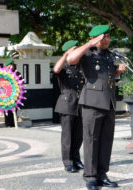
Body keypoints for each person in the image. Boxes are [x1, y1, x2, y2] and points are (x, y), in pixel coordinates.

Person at [66, 25, 126, 190]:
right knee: (91, 140)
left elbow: (107, 79)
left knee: (106, 141)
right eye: (103, 37)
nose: (106, 39)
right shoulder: (87, 52)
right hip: (92, 103)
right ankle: (90, 177)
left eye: (108, 36)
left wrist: (118, 72)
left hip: (109, 103)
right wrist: (89, 43)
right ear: (95, 38)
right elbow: (70, 60)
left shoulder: (109, 55)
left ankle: (102, 174)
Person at [53, 40, 85, 173]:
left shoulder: (81, 67)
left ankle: (76, 159)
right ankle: (68, 162)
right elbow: (55, 69)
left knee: (79, 135)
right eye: (75, 50)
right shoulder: (64, 67)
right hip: (67, 103)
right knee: (67, 136)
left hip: (80, 104)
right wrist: (66, 55)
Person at [4, 59, 19, 127]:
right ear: (7, 66)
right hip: (6, 94)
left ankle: (13, 122)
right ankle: (7, 123)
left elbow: (21, 82)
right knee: (6, 108)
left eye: (12, 65)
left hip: (14, 94)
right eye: (10, 65)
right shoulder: (4, 73)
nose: (11, 66)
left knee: (14, 109)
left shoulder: (17, 73)